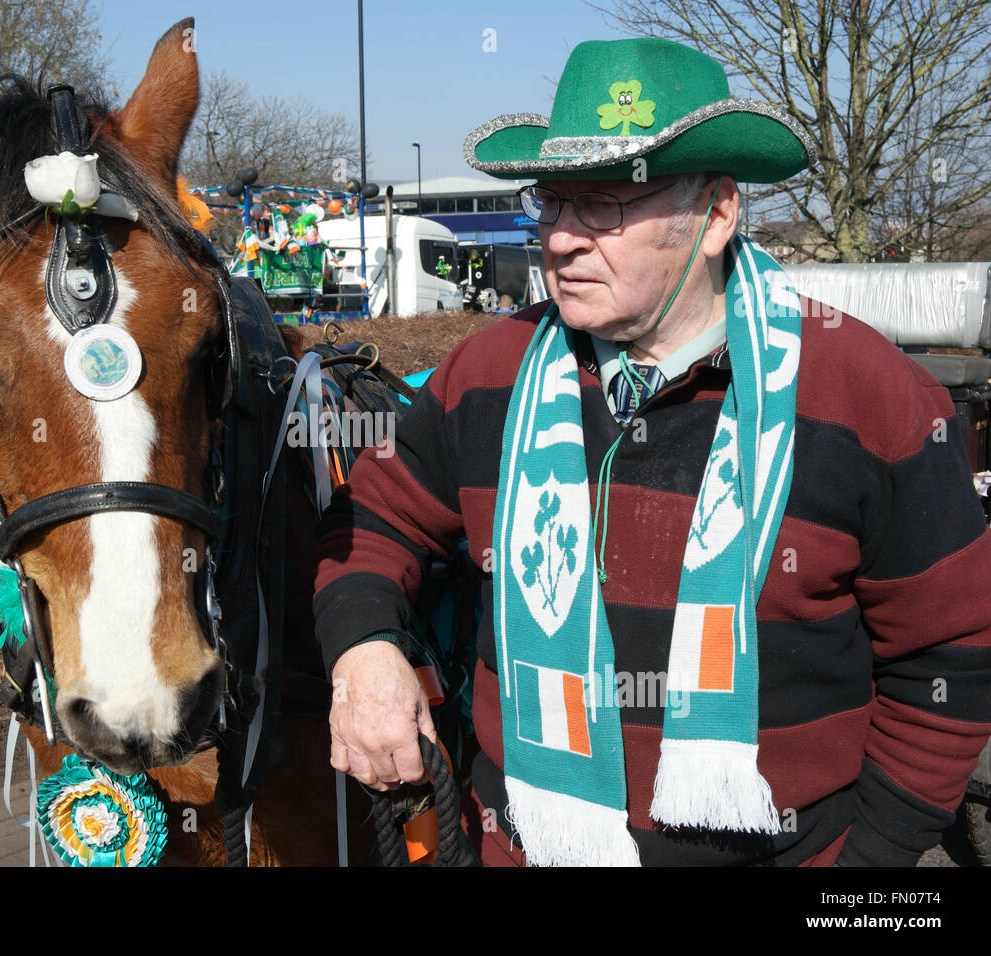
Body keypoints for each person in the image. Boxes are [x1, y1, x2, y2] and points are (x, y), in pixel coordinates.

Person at [314, 37, 991, 867]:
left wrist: (868, 867)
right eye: (552, 202)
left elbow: (950, 660)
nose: (559, 239)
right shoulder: (484, 377)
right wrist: (364, 649)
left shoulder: (870, 395)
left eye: (602, 205)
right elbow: (372, 518)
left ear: (715, 215)